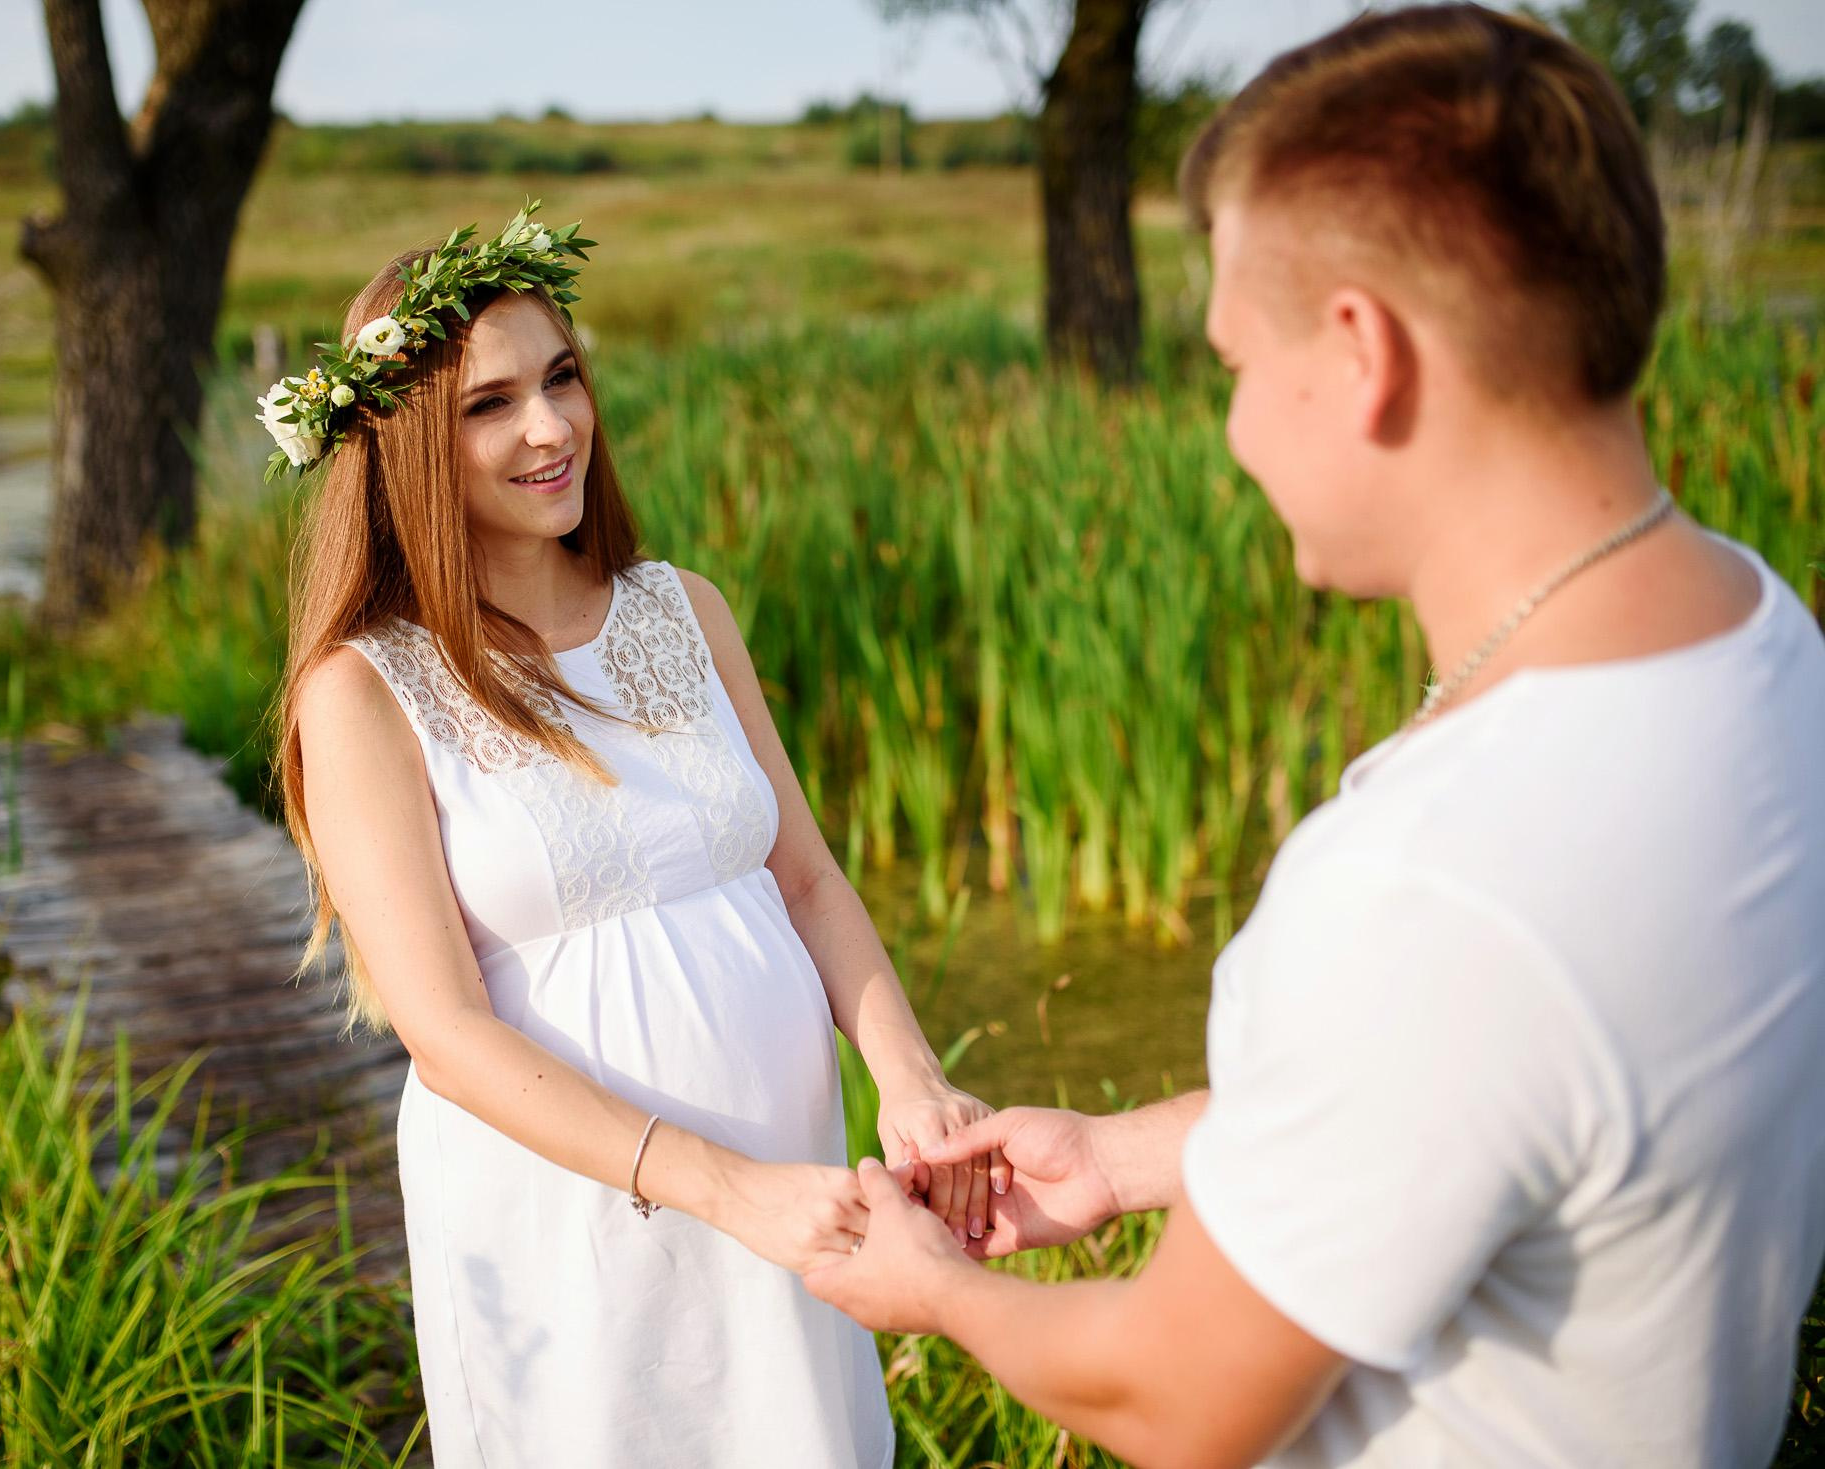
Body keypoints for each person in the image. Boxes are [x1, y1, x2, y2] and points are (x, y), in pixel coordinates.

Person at [801, 7, 1825, 1467]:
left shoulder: (1430, 880)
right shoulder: (1759, 632)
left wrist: (938, 1290)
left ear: (1360, 353)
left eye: (1231, 360)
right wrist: (1126, 1156)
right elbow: (1507, 1079)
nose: (1230, 430)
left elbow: (1178, 1394)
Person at [269, 209, 1000, 1468]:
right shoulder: (367, 689)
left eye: (561, 378)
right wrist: (721, 1183)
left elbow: (808, 879)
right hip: (574, 1205)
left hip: (787, 1163)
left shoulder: (683, 610)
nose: (549, 428)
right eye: (487, 405)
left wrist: (912, 1077)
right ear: (400, 446)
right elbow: (443, 1033)